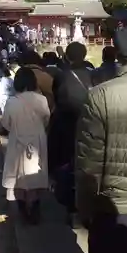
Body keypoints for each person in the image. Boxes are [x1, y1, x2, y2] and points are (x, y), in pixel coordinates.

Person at [76, 27, 127, 253]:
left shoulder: (99, 96)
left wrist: (85, 208)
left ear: (117, 53)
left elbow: (89, 165)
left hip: (113, 209)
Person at [49, 42, 93, 224]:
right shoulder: (94, 73)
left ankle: (71, 207)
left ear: (67, 55)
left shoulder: (61, 76)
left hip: (66, 124)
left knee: (67, 164)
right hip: (90, 124)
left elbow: (57, 98)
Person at [1, 67, 50, 225]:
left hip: (17, 141)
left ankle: (22, 209)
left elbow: (6, 124)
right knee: (35, 173)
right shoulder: (41, 100)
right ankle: (35, 208)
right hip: (37, 141)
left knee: (18, 177)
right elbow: (46, 119)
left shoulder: (12, 102)